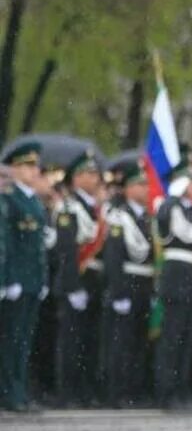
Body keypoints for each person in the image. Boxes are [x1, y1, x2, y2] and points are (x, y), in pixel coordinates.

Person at [152, 162, 192, 408]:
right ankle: (166, 391)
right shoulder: (171, 205)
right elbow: (181, 232)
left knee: (186, 338)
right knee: (172, 337)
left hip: (191, 277)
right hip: (176, 276)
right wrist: (176, 195)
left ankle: (180, 388)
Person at [100, 155, 157, 407]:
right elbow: (113, 258)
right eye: (140, 184)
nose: (145, 189)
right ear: (128, 189)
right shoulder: (119, 216)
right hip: (126, 284)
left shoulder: (147, 218)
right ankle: (115, 391)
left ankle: (133, 390)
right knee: (119, 342)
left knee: (137, 340)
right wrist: (118, 291)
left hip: (143, 285)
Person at [52, 152, 108, 405]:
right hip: (76, 279)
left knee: (90, 338)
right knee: (70, 340)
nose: (94, 178)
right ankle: (67, 391)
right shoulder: (69, 208)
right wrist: (72, 286)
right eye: (89, 173)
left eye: (96, 173)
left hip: (94, 279)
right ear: (76, 178)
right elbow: (66, 250)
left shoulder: (96, 209)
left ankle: (85, 389)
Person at [1, 143, 51, 412]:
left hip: (32, 281)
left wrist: (41, 280)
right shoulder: (10, 199)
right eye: (28, 166)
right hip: (17, 281)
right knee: (11, 339)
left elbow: (37, 248)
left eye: (35, 166)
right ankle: (9, 392)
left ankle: (19, 390)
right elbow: (8, 244)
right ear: (16, 169)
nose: (34, 171)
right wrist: (8, 280)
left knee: (24, 340)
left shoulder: (32, 200)